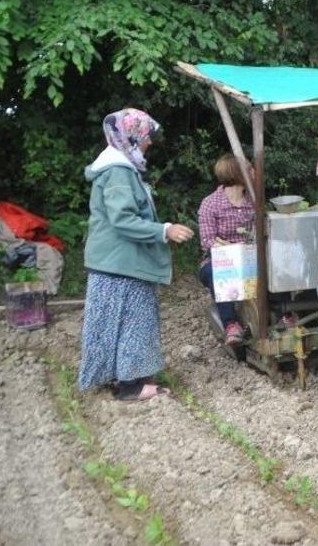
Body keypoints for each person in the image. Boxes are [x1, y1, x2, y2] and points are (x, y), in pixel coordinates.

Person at [78, 108, 194, 401]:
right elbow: (123, 220)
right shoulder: (119, 171)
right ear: (130, 136)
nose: (150, 142)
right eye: (146, 136)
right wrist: (164, 230)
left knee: (110, 324)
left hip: (114, 262)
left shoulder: (119, 168)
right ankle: (131, 386)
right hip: (121, 263)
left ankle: (119, 377)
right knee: (134, 322)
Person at [197, 154, 255, 345]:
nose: (254, 171)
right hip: (219, 260)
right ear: (237, 174)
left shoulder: (254, 202)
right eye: (249, 168)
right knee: (218, 271)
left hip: (251, 257)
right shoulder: (211, 204)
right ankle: (231, 324)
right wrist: (235, 249)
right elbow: (208, 241)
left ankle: (284, 313)